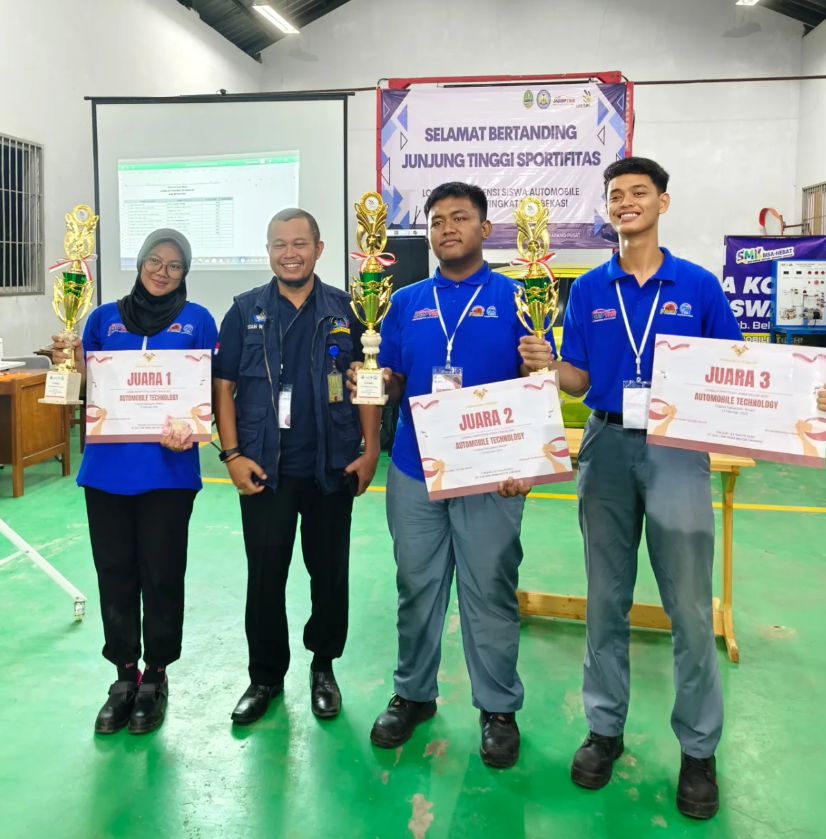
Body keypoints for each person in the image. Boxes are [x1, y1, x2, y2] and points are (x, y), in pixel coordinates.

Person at [548, 157, 743, 819]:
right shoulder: (586, 289)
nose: (626, 202)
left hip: (676, 448)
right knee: (605, 599)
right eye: (616, 195)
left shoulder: (698, 286)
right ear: (607, 208)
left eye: (639, 192)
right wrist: (549, 365)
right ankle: (604, 729)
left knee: (689, 606)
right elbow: (579, 379)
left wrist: (801, 394)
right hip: (605, 443)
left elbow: (739, 367)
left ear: (663, 201)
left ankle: (698, 749)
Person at [347, 182, 554, 769]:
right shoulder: (404, 301)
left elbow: (535, 383)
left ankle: (498, 709)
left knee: (489, 591)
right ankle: (413, 694)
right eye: (437, 221)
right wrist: (374, 380)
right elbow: (390, 378)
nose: (447, 229)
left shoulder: (519, 297)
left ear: (484, 229)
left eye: (460, 218)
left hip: (490, 472)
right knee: (416, 587)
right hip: (415, 470)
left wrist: (530, 461)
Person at [213, 208, 381, 725]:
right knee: (265, 577)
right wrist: (232, 455)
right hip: (264, 471)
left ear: (319, 248)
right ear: (268, 251)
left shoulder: (349, 310)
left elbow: (369, 380)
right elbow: (223, 386)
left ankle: (323, 667)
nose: (290, 253)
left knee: (329, 575)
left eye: (299, 243)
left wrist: (370, 449)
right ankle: (264, 677)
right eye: (279, 244)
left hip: (332, 468)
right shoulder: (244, 311)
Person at [52, 229, 218, 735]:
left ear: (185, 272)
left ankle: (157, 675)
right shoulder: (103, 318)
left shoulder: (198, 320)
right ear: (141, 262)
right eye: (154, 260)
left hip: (169, 474)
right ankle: (125, 675)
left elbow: (209, 391)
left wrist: (195, 427)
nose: (162, 271)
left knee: (163, 576)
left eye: (174, 264)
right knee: (115, 574)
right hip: (106, 472)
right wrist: (67, 362)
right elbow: (86, 388)